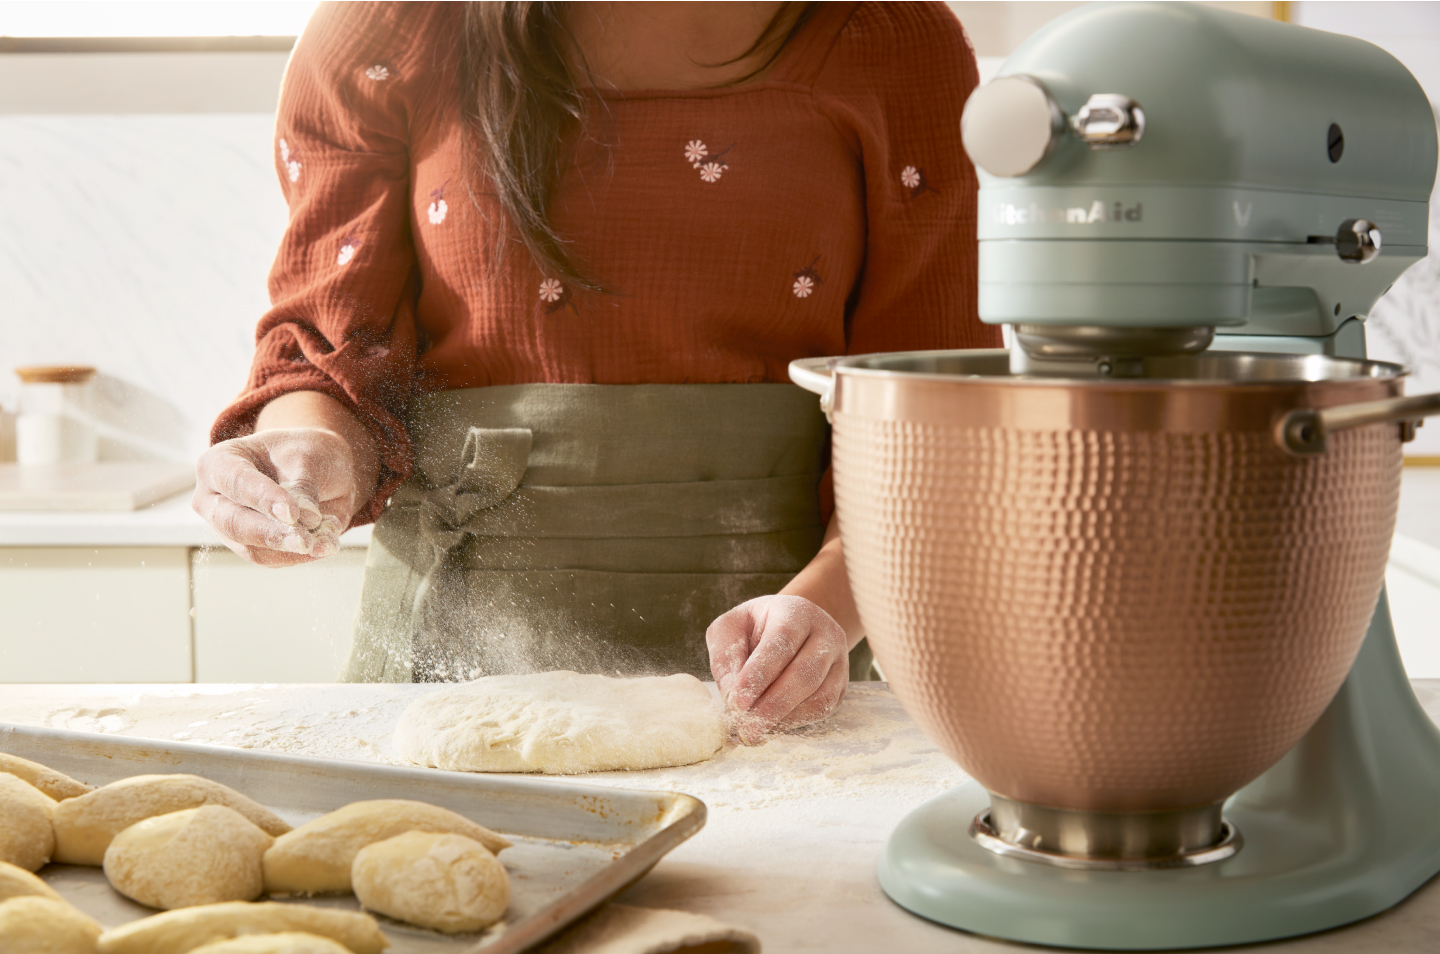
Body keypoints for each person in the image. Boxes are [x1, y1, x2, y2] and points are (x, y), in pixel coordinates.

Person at [193, 1, 996, 743]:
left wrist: (822, 609)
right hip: (443, 661)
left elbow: (927, 419)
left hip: (776, 663)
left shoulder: (893, 40)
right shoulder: (389, 31)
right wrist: (311, 451)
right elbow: (331, 351)